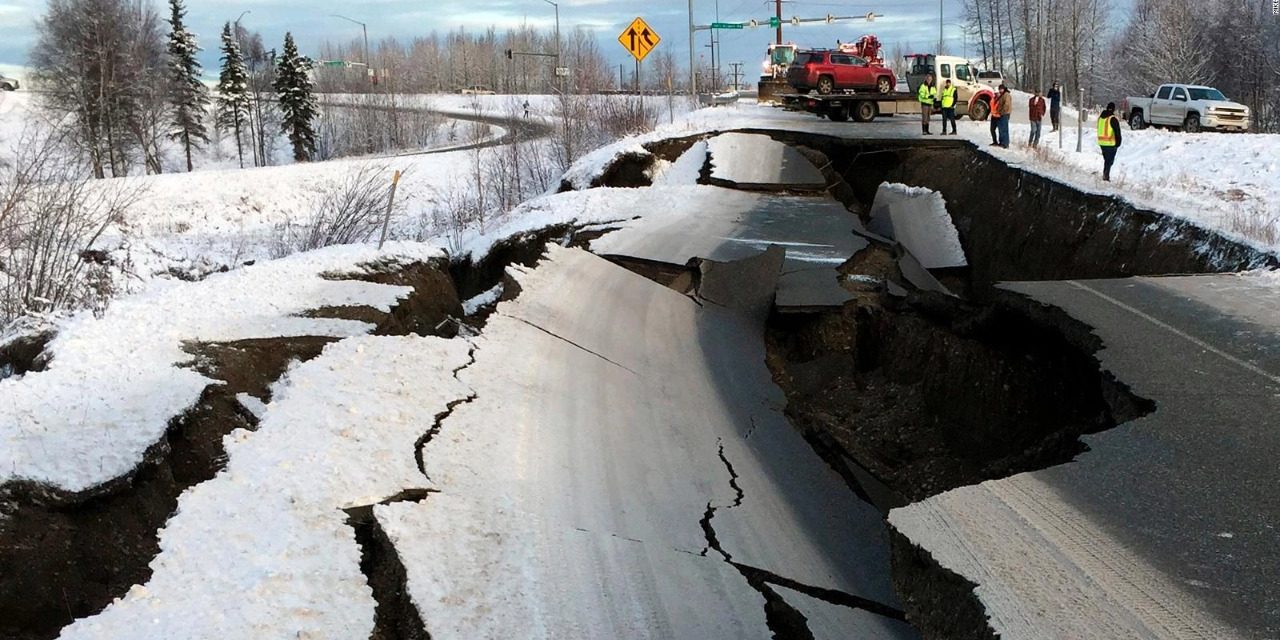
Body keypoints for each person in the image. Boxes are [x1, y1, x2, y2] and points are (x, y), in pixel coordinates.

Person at [1097, 102, 1123, 181]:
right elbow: (1117, 132)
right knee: (1109, 161)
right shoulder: (1112, 119)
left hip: (1101, 142)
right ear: (1114, 109)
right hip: (1110, 143)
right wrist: (1118, 143)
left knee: (1107, 160)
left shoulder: (1101, 118)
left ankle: (1105, 175)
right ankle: (1106, 177)